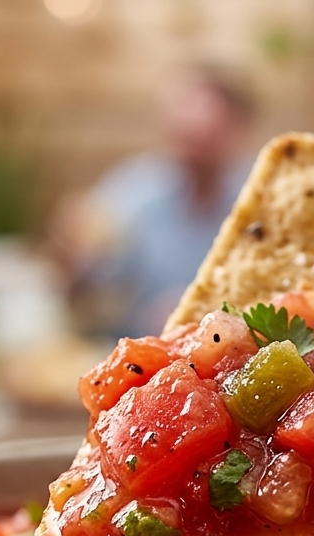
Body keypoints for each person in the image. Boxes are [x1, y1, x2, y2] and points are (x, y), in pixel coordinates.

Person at [50, 67, 255, 340]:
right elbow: (91, 283)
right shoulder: (131, 191)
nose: (195, 145)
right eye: (185, 133)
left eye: (206, 135)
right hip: (136, 350)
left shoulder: (255, 204)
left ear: (234, 129)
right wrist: (70, 258)